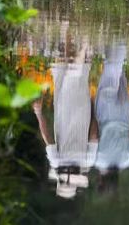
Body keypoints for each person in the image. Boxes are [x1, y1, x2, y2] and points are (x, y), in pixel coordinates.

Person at [32, 37, 98, 199]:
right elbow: (48, 138)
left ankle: (72, 33)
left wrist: (93, 109)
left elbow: (94, 136)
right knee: (67, 71)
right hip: (63, 109)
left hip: (81, 111)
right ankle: (82, 41)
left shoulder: (87, 161)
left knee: (71, 72)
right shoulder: (57, 162)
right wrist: (39, 113)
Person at [94, 43, 129, 174]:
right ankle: (121, 35)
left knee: (118, 71)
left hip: (124, 113)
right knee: (111, 72)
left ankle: (114, 36)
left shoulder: (127, 161)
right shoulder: (98, 161)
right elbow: (94, 136)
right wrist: (91, 112)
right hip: (106, 113)